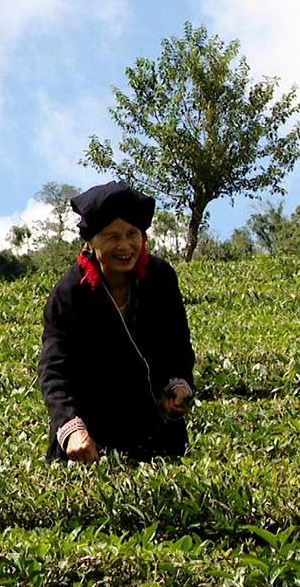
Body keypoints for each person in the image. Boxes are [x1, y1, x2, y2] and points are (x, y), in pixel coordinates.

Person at [38, 181, 195, 461]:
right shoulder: (69, 293)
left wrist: (178, 384)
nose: (125, 246)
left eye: (132, 234)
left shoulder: (160, 278)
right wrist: (71, 427)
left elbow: (177, 344)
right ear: (90, 242)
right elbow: (55, 369)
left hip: (154, 429)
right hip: (90, 436)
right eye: (112, 236)